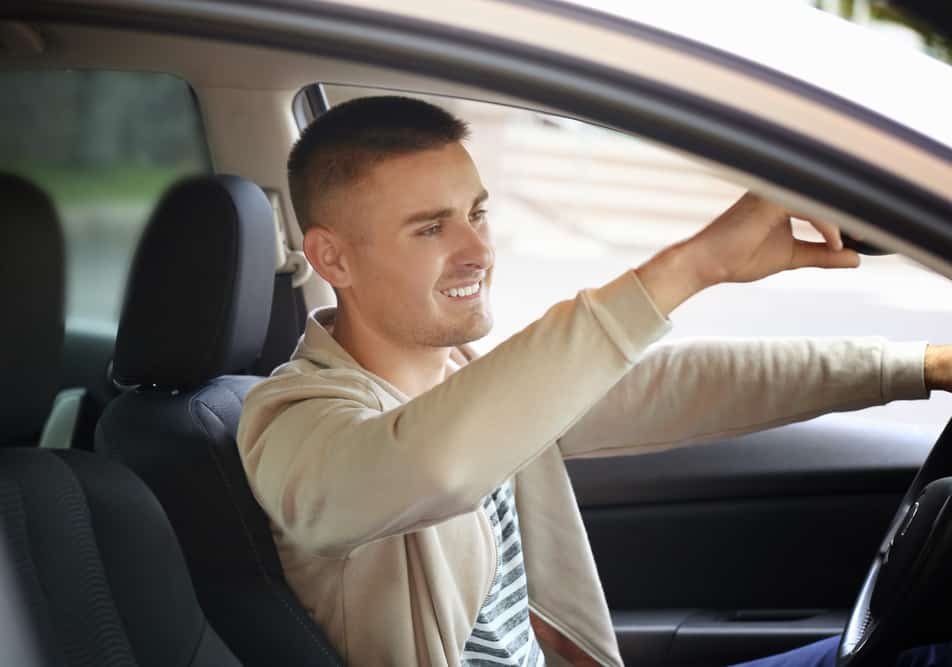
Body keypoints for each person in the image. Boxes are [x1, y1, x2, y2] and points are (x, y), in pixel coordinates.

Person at [237, 96, 952, 667]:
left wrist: (921, 366)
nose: (478, 250)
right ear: (332, 258)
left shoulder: (463, 379)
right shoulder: (291, 420)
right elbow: (430, 464)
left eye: (477, 213)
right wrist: (693, 264)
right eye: (430, 228)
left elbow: (677, 384)